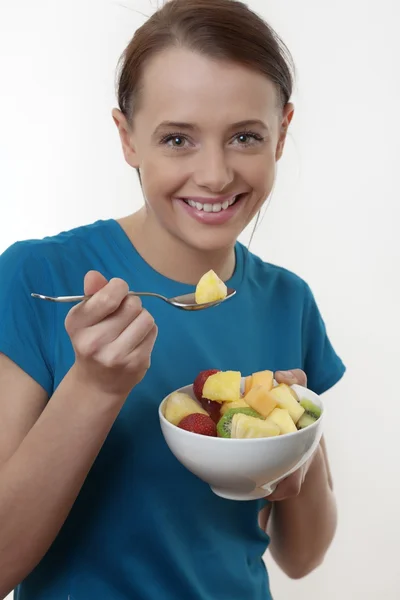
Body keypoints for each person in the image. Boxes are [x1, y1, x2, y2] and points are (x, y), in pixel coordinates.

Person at [0, 1, 346, 598]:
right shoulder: (36, 275)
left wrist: (293, 441)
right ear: (127, 137)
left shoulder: (289, 300)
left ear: (282, 133)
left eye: (244, 136)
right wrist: (96, 385)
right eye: (178, 138)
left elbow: (303, 556)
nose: (214, 175)